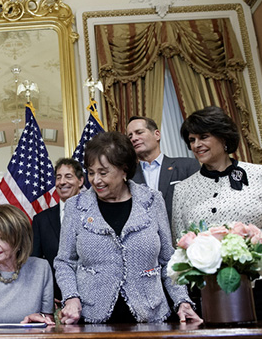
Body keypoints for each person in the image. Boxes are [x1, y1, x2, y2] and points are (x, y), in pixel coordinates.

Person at [54, 131, 202, 324]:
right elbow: (64, 262)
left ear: (124, 170)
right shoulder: (76, 206)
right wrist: (71, 298)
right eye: (91, 172)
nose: (96, 180)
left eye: (103, 172)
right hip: (92, 319)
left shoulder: (152, 200)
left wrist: (182, 301)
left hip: (151, 317)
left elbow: (168, 260)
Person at [172, 106, 262, 322]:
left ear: (224, 138)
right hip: (210, 296)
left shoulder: (261, 175)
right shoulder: (183, 189)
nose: (196, 145)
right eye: (192, 140)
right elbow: (181, 245)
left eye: (204, 137)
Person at [127, 116, 200, 222]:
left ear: (157, 134)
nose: (134, 138)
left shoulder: (187, 166)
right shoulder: (127, 177)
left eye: (139, 132)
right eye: (130, 136)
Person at [32, 158, 84, 300]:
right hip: (56, 300)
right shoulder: (40, 220)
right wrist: (46, 297)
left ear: (80, 181)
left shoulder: (95, 213)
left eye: (68, 176)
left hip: (93, 298)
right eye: (58, 177)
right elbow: (35, 265)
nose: (62, 182)